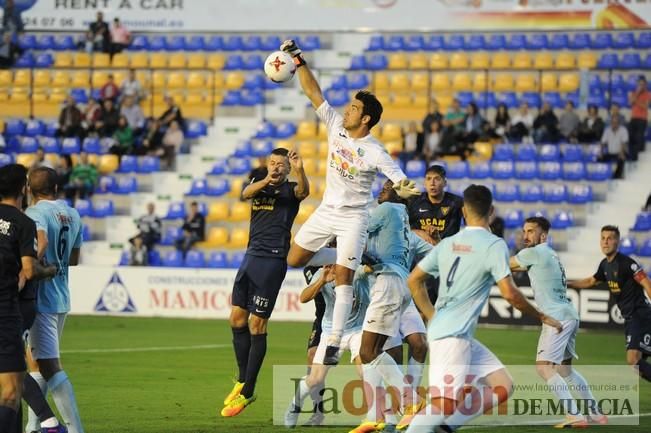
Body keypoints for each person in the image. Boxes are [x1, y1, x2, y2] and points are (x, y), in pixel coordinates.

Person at [279, 38, 419, 366]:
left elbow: (396, 175)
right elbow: (314, 93)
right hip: (327, 211)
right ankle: (352, 256)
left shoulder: (373, 150)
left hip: (355, 218)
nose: (347, 109)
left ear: (366, 119)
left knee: (343, 277)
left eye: (354, 108)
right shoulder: (336, 126)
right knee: (296, 258)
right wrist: (298, 60)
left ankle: (335, 339)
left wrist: (404, 186)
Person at [405, 184, 561, 433]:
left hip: (454, 332)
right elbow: (510, 293)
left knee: (502, 385)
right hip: (452, 337)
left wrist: (432, 315)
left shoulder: (449, 243)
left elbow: (413, 280)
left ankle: (446, 427)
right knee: (443, 403)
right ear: (491, 211)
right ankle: (422, 426)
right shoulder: (494, 245)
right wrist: (541, 316)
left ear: (464, 211)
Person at [221, 148, 308, 417]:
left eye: (281, 165)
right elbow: (244, 194)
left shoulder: (291, 190)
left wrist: (300, 168)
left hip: (272, 260)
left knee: (257, 323)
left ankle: (248, 391)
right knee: (236, 318)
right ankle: (242, 378)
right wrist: (264, 179)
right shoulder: (258, 186)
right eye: (272, 163)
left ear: (287, 168)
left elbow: (303, 193)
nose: (276, 167)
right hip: (250, 257)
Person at [510, 217, 606, 428]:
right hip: (569, 314)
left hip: (556, 318)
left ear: (543, 235)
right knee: (565, 371)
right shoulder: (550, 253)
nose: (525, 235)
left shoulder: (533, 252)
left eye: (531, 231)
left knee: (544, 368)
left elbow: (504, 265)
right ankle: (596, 413)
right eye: (524, 231)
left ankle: (575, 415)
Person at [23, 167, 84, 433]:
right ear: (56, 188)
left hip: (42, 298)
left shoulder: (35, 213)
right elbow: (74, 259)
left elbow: (42, 242)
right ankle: (31, 427)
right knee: (36, 362)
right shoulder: (73, 214)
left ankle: (75, 429)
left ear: (29, 189)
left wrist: (31, 265)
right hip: (62, 296)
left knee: (49, 365)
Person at [0, 164, 57, 433]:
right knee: (11, 389)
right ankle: (49, 420)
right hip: (7, 310)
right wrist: (50, 270)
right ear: (23, 188)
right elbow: (29, 269)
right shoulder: (23, 223)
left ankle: (45, 420)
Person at [284, 264, 369, 429]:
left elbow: (369, 269)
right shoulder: (322, 273)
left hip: (357, 330)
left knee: (365, 372)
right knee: (315, 379)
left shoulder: (356, 270)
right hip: (330, 331)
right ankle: (295, 406)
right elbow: (303, 298)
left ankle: (372, 417)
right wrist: (322, 281)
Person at [568, 226, 651, 383]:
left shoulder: (627, 264)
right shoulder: (604, 265)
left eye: (610, 238)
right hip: (631, 319)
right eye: (603, 238)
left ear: (617, 241)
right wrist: (568, 284)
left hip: (640, 316)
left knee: (633, 360)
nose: (605, 242)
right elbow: (591, 281)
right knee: (636, 365)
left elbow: (647, 284)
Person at [599, 114, 628, 179]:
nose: (614, 124)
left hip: (620, 152)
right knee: (599, 158)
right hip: (610, 152)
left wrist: (621, 152)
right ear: (611, 123)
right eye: (613, 122)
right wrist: (601, 152)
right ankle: (603, 175)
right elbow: (602, 142)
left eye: (616, 122)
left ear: (619, 123)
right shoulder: (607, 130)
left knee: (621, 159)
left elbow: (624, 143)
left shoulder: (623, 130)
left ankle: (617, 176)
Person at [628, 75, 649, 161]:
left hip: (642, 119)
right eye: (640, 84)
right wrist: (637, 94)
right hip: (633, 118)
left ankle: (638, 157)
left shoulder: (648, 94)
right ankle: (632, 156)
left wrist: (636, 101)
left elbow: (645, 106)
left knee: (639, 138)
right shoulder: (633, 93)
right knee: (631, 137)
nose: (641, 86)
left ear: (645, 85)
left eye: (643, 84)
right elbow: (630, 103)